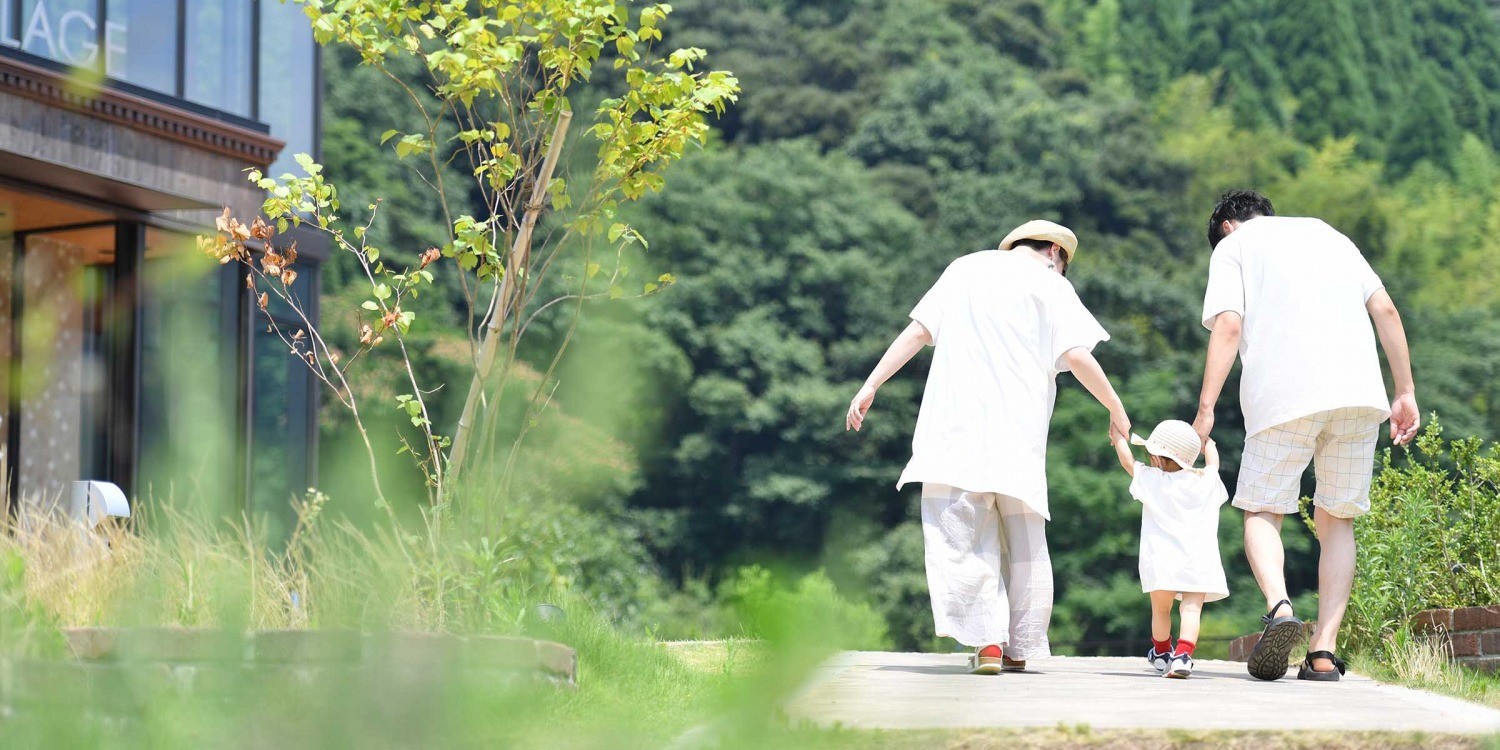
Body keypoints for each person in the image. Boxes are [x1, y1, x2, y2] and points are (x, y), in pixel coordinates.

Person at [845, 219, 1130, 675]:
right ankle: (1021, 646)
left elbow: (918, 332)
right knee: (1025, 545)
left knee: (961, 540)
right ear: (1055, 252)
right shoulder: (1052, 286)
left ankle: (988, 643)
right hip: (1019, 439)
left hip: (955, 434)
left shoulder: (964, 269)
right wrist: (1116, 408)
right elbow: (1078, 356)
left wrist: (870, 385)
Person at [1193, 190, 1420, 682]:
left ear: (1228, 227)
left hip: (1283, 397)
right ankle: (1323, 653)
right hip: (1360, 395)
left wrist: (1206, 407)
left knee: (1263, 508)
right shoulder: (1328, 233)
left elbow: (1229, 326)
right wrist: (1405, 391)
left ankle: (1279, 609)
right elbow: (1386, 309)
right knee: (1337, 517)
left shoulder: (1235, 248)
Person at [1112, 420, 1230, 679]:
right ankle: (1184, 656)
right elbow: (1214, 464)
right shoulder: (1205, 481)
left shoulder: (1154, 480)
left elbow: (1127, 462)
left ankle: (1162, 652)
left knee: (1161, 610)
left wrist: (1118, 436)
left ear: (1155, 457)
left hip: (1161, 560)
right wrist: (1207, 443)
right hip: (1198, 561)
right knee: (1190, 609)